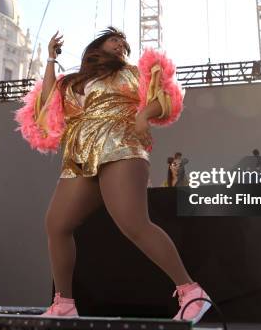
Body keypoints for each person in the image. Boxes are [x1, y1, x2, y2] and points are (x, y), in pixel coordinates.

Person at [16, 28, 211, 323]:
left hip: (121, 145)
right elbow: (46, 104)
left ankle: (192, 292)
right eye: (114, 40)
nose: (121, 45)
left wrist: (144, 115)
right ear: (97, 46)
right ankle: (64, 304)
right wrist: (50, 61)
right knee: (57, 224)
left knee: (134, 224)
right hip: (80, 155)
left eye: (124, 44)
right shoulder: (72, 82)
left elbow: (165, 95)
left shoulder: (131, 73)